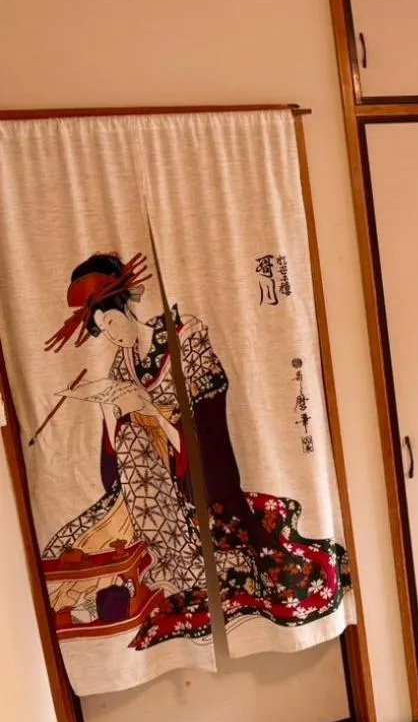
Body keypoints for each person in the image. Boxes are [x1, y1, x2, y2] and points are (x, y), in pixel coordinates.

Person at [42, 252, 348, 651]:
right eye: (103, 330)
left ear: (129, 304)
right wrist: (111, 409)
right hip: (148, 478)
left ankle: (193, 566)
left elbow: (210, 428)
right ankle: (160, 567)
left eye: (113, 322)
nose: (114, 335)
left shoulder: (187, 339)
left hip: (197, 474)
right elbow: (117, 452)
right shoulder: (123, 364)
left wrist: (149, 410)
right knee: (72, 544)